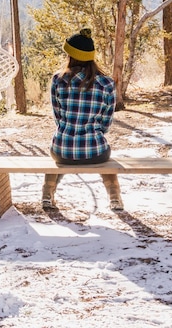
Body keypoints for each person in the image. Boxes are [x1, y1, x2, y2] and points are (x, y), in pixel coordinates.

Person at [42, 28, 124, 212]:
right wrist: (93, 133)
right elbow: (106, 122)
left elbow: (58, 116)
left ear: (70, 55)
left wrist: (68, 130)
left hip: (62, 151)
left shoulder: (58, 80)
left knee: (58, 153)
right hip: (95, 152)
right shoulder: (107, 83)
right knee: (105, 154)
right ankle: (115, 199)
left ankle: (47, 195)